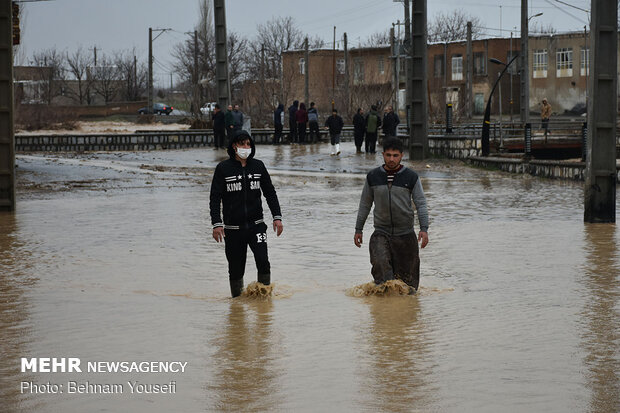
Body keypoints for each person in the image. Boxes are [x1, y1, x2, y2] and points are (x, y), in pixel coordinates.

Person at [210, 130, 284, 298]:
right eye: (242, 144)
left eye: (248, 144)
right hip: (233, 229)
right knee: (236, 270)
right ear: (234, 146)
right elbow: (215, 198)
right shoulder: (223, 169)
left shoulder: (258, 166)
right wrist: (217, 223)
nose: (246, 147)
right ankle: (237, 307)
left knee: (263, 262)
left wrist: (277, 217)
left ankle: (264, 304)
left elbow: (270, 193)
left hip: (256, 226)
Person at [354, 137, 429, 292]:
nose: (391, 159)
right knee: (382, 277)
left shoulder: (411, 177)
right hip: (381, 233)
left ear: (402, 155)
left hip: (406, 235)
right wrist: (358, 230)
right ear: (383, 155)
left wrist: (424, 229)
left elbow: (421, 204)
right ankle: (383, 313)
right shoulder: (373, 177)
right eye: (388, 155)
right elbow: (365, 205)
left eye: (395, 155)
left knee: (408, 288)